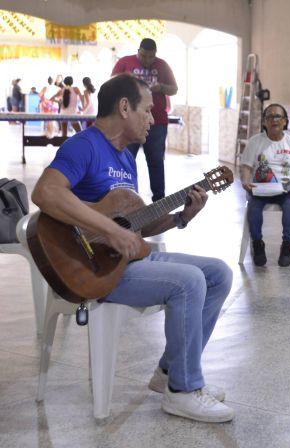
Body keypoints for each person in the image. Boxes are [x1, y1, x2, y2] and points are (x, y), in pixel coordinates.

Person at [30, 74, 234, 422]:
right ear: (124, 107)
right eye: (148, 110)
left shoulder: (125, 158)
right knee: (189, 281)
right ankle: (183, 392)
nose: (154, 119)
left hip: (125, 261)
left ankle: (170, 373)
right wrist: (108, 228)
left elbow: (133, 224)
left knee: (218, 273)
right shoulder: (85, 146)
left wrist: (180, 218)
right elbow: (44, 193)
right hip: (93, 270)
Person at [240, 103, 290, 267]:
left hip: (285, 190)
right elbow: (246, 167)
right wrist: (246, 182)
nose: (273, 120)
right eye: (269, 117)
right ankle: (257, 244)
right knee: (254, 208)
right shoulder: (255, 142)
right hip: (260, 188)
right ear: (264, 122)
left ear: (285, 121)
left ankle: (287, 246)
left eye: (277, 116)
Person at [112, 38, 178, 201]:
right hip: (129, 121)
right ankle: (125, 198)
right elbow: (111, 85)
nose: (147, 60)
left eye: (151, 57)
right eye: (143, 56)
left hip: (157, 122)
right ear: (138, 51)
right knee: (126, 159)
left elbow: (174, 89)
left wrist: (161, 87)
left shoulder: (162, 65)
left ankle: (159, 200)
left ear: (155, 54)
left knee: (156, 160)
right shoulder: (125, 62)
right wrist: (129, 84)